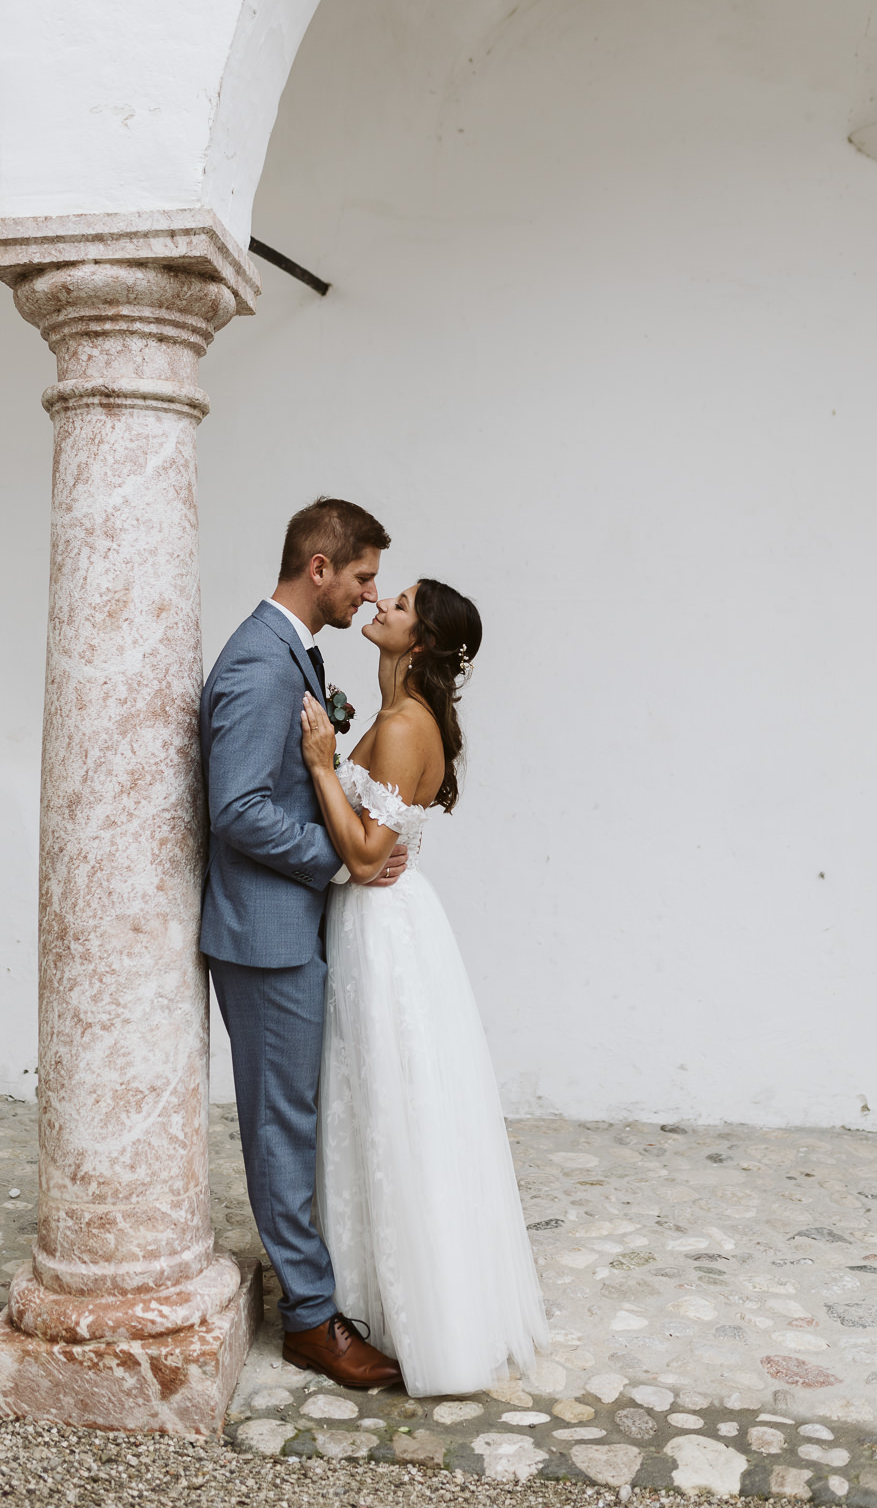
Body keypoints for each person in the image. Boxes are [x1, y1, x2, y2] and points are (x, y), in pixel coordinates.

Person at [299, 578, 549, 1397]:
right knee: (373, 1100)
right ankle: (367, 1284)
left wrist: (320, 765)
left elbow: (367, 856)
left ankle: (414, 1308)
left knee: (392, 1100)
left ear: (423, 642)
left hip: (384, 931)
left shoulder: (407, 725)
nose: (380, 605)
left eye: (400, 605)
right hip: (373, 920)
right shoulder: (395, 715)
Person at [200, 498, 409, 1389]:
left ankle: (317, 1289)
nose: (368, 595)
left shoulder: (293, 651)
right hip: (266, 935)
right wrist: (339, 862)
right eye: (362, 577)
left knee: (303, 1118)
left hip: (291, 927)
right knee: (282, 1126)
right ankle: (310, 1320)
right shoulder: (259, 662)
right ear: (318, 568)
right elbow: (239, 808)